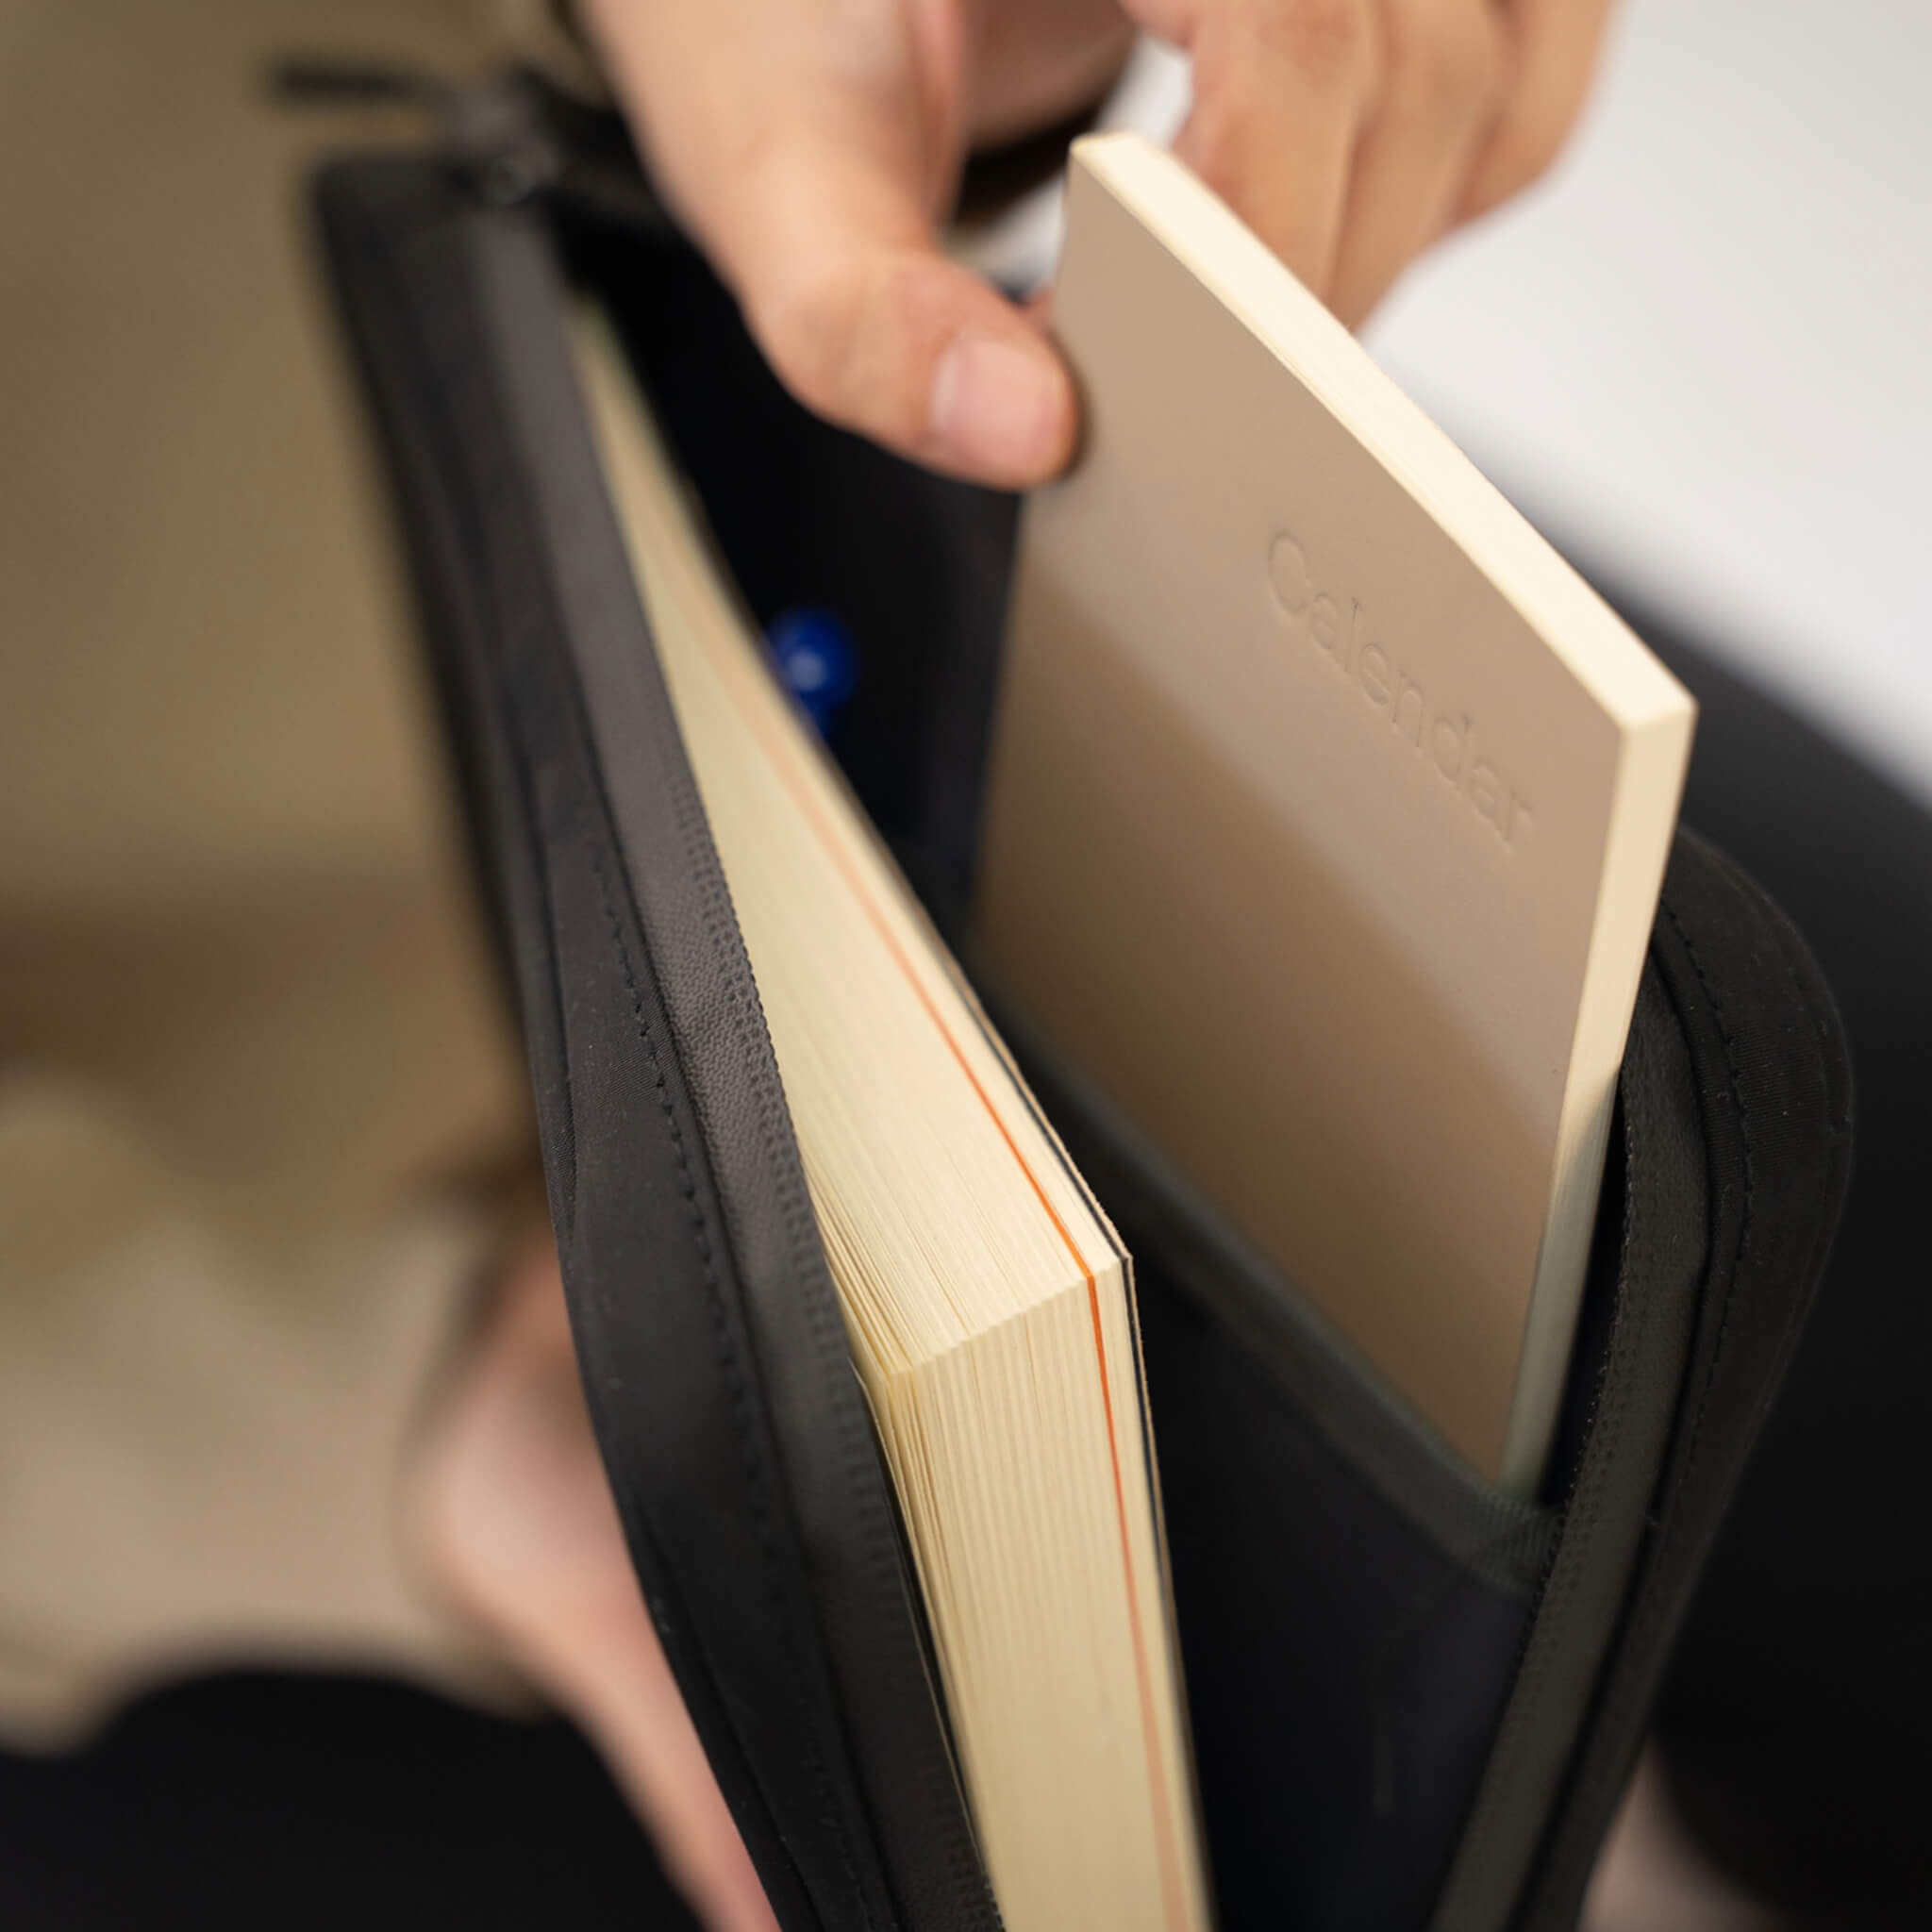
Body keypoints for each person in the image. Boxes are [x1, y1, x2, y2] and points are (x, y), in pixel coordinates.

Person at [0, 4, 1612, 1928]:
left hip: (696, 474)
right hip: (178, 1302)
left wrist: (926, 54)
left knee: (1795, 1135)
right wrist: (380, 1412)